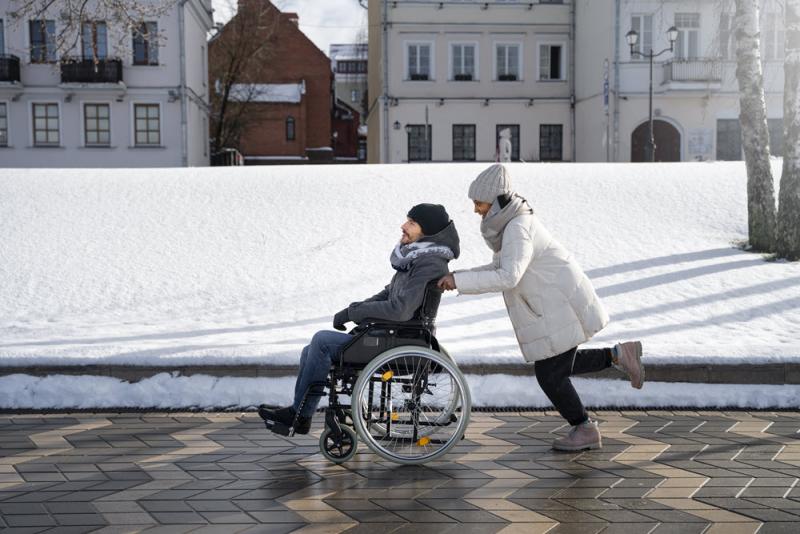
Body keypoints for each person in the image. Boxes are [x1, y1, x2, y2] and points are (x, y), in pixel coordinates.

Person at [437, 164, 643, 451]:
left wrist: (458, 280)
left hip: (558, 304)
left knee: (550, 373)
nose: (476, 210)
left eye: (479, 203)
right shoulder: (512, 225)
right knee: (556, 368)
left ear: (497, 201)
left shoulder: (518, 228)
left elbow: (509, 275)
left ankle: (584, 428)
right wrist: (457, 278)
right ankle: (619, 356)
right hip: (552, 303)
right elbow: (500, 266)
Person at [260, 203, 460, 434]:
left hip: (400, 340)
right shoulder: (418, 257)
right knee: (310, 350)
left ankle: (299, 414)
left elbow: (400, 310)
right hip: (393, 336)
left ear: (428, 232)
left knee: (322, 342)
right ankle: (301, 415)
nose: (403, 226)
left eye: (412, 223)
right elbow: (388, 293)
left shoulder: (429, 262)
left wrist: (356, 313)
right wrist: (354, 309)